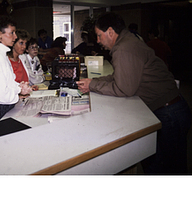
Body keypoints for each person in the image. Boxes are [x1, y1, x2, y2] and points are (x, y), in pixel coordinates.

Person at [76, 12, 191, 174]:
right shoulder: (128, 41)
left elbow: (124, 89)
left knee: (165, 168)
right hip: (170, 108)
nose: (98, 40)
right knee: (168, 165)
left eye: (99, 35)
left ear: (110, 32)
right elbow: (119, 77)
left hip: (169, 112)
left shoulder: (123, 49)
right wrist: (93, 82)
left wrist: (93, 85)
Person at [0, 16, 32, 123]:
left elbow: (7, 83)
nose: (15, 37)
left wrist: (19, 86)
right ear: (0, 34)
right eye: (12, 33)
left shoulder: (2, 54)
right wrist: (19, 90)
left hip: (3, 106)